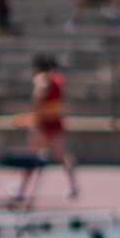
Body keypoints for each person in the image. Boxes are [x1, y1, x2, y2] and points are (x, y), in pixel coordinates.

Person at [28, 53, 78, 197]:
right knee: (62, 156)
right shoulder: (58, 80)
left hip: (43, 124)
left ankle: (23, 189)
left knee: (32, 157)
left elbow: (38, 98)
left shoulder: (41, 79)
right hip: (55, 123)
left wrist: (35, 117)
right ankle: (73, 186)